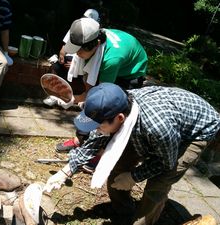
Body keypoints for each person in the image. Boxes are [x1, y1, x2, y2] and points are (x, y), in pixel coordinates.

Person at [44, 83, 220, 225]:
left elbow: (166, 162)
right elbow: (97, 139)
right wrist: (67, 170)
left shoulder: (157, 128)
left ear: (120, 118)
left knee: (158, 183)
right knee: (117, 164)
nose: (97, 129)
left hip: (197, 130)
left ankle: (142, 221)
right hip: (162, 123)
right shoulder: (114, 103)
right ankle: (123, 211)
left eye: (99, 125)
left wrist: (134, 176)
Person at [55, 17, 148, 152]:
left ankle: (102, 151)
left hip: (130, 72)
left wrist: (72, 99)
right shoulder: (89, 38)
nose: (76, 54)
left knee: (110, 111)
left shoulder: (111, 59)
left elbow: (101, 97)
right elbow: (88, 82)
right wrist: (81, 98)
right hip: (116, 59)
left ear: (96, 44)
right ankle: (80, 140)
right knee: (91, 103)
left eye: (79, 51)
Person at [44, 9, 100, 107]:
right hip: (74, 59)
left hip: (83, 64)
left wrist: (76, 66)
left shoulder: (94, 39)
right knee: (57, 66)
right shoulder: (77, 29)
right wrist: (62, 59)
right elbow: (64, 49)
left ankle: (78, 101)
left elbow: (92, 70)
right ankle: (54, 95)